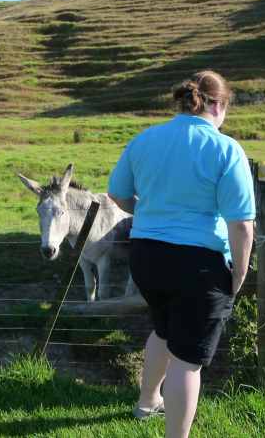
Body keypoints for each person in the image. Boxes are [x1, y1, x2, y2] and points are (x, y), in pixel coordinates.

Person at [107, 70, 255, 438]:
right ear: (219, 105)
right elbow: (240, 224)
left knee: (163, 329)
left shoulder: (145, 139)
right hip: (199, 265)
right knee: (188, 362)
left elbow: (117, 193)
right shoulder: (226, 149)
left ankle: (147, 402)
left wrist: (150, 213)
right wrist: (239, 271)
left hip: (146, 256)